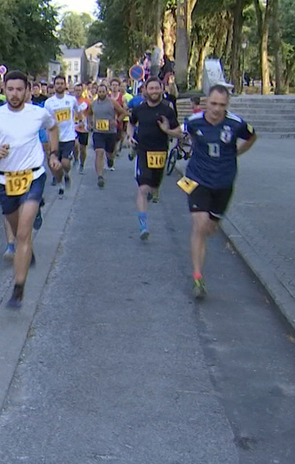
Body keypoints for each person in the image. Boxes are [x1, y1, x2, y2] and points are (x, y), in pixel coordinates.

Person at [162, 84, 257, 298]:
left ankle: (210, 226)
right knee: (200, 224)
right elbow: (182, 132)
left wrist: (237, 153)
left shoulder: (235, 123)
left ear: (227, 105)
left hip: (224, 182)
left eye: (222, 105)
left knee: (210, 227)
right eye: (213, 103)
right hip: (197, 179)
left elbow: (252, 136)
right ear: (206, 101)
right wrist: (168, 130)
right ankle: (197, 278)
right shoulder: (195, 121)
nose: (216, 109)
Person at [0, 71, 60, 309]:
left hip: (33, 176)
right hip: (4, 181)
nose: (14, 94)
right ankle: (26, 250)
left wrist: (53, 153)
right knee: (15, 226)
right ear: (4, 89)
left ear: (27, 90)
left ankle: (18, 288)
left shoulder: (38, 113)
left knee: (22, 234)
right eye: (10, 89)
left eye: (19, 89)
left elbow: (53, 127)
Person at [126, 77, 181, 240]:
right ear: (145, 91)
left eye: (157, 88)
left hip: (160, 153)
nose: (154, 91)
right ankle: (143, 226)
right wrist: (129, 136)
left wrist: (167, 130)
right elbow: (131, 123)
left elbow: (178, 132)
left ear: (162, 90)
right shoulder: (139, 109)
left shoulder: (167, 111)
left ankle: (152, 190)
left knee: (154, 186)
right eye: (151, 88)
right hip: (143, 151)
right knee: (143, 188)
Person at [43, 76, 80, 196]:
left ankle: (67, 174)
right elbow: (47, 122)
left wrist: (80, 122)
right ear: (54, 86)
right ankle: (60, 184)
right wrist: (47, 138)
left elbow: (77, 111)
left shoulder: (71, 99)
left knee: (65, 163)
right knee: (55, 166)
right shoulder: (49, 103)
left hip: (68, 136)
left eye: (61, 83)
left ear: (65, 85)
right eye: (57, 83)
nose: (59, 86)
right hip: (55, 138)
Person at [87, 83, 127, 189]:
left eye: (103, 91)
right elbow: (89, 113)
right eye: (99, 92)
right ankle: (100, 176)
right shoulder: (93, 104)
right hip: (98, 132)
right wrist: (90, 123)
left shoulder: (112, 102)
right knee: (99, 152)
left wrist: (117, 121)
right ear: (97, 92)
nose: (101, 93)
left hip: (110, 132)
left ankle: (110, 160)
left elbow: (123, 113)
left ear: (106, 92)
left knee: (109, 153)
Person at [73, 83, 90, 174]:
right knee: (75, 145)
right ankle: (75, 158)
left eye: (79, 90)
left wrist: (90, 123)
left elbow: (91, 113)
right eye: (76, 90)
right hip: (73, 126)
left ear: (82, 91)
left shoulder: (86, 101)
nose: (78, 92)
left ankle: (82, 164)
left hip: (84, 127)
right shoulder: (71, 101)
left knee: (83, 148)